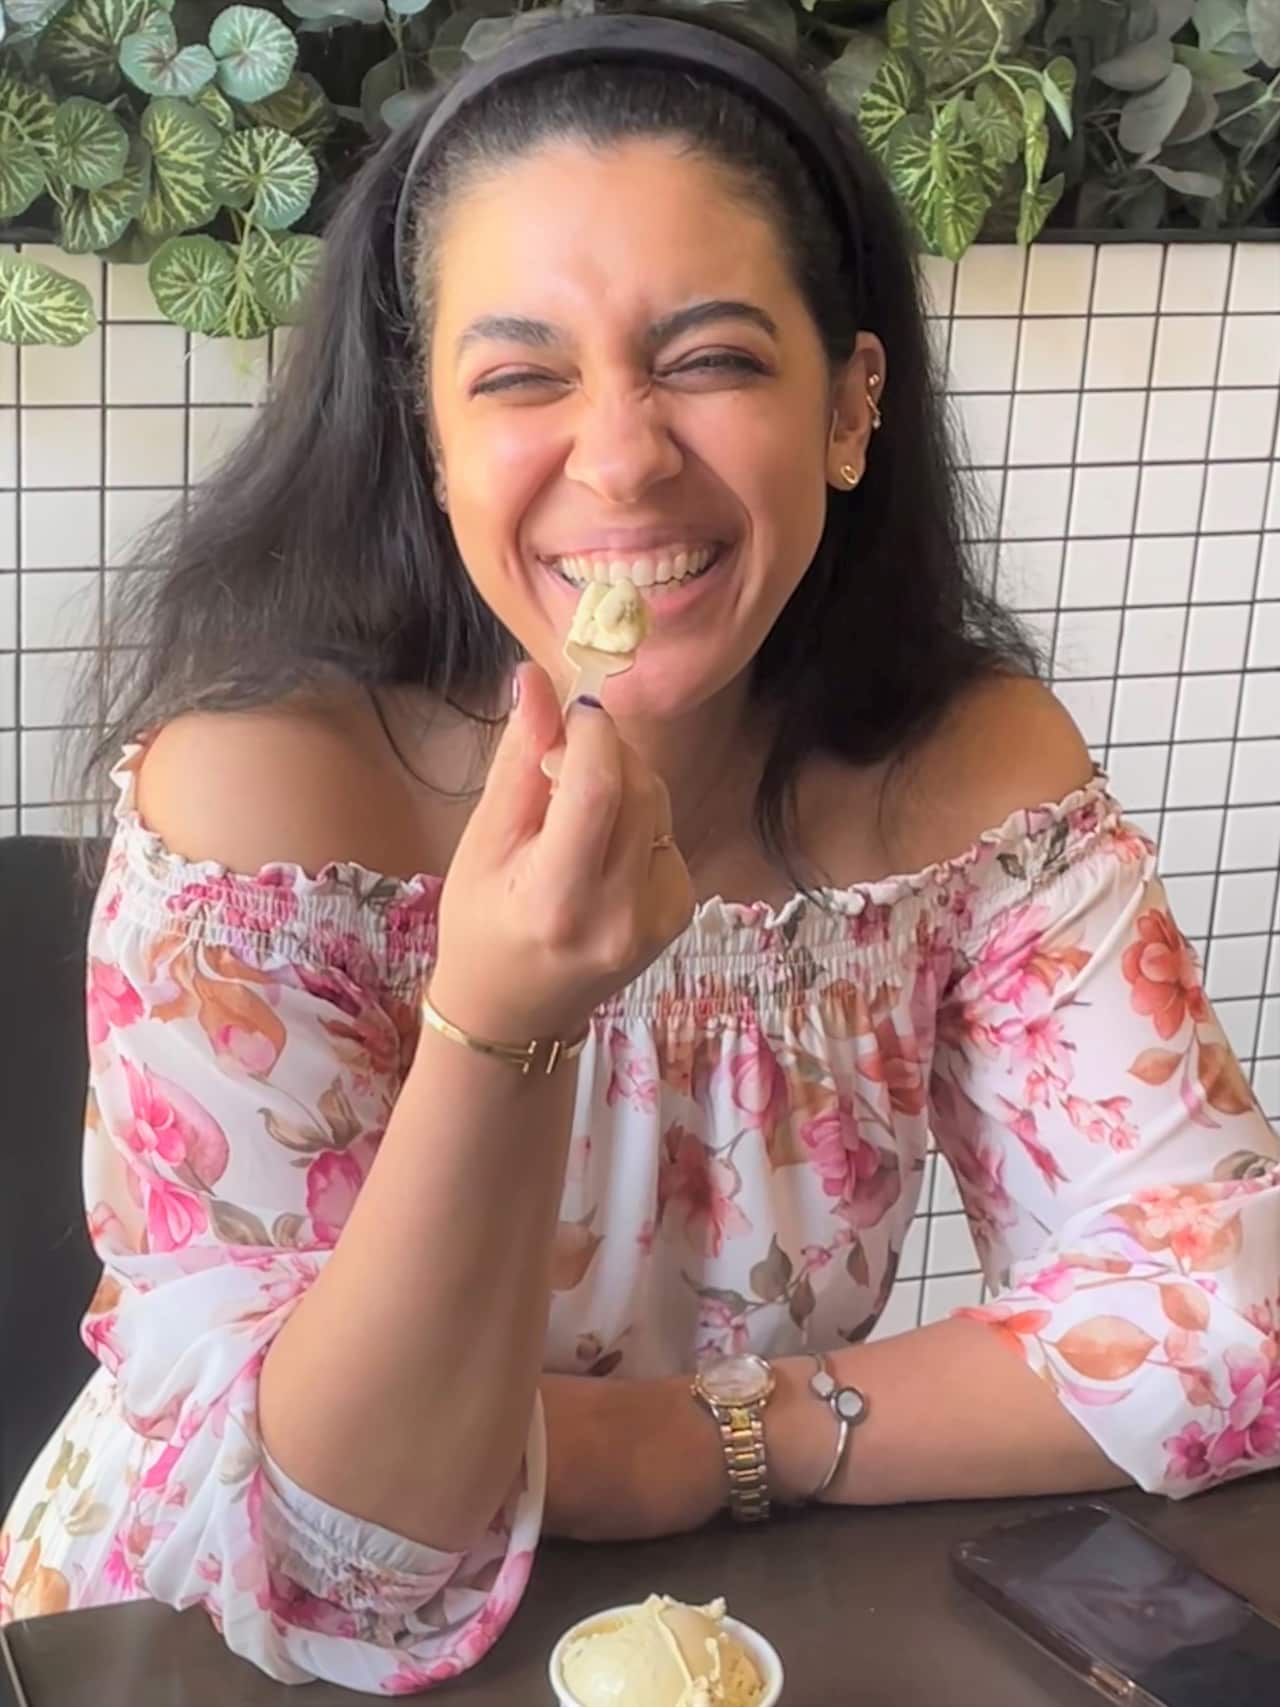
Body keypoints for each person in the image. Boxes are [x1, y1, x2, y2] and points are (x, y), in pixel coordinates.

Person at [2, 3, 1277, 1692]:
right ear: (429, 432)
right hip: (195, 1652)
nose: (620, 455)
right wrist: (502, 1020)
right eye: (521, 376)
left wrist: (696, 1444)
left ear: (850, 403)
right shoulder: (260, 802)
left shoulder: (974, 783)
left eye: (714, 359)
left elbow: (1231, 1317)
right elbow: (345, 1553)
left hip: (712, 1620)